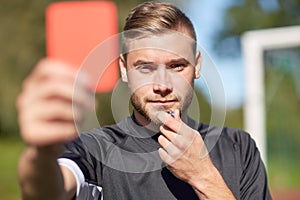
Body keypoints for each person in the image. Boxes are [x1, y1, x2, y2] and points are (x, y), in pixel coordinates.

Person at [17, 1, 272, 200]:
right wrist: (41, 153)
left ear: (197, 66)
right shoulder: (95, 148)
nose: (162, 85)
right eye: (146, 68)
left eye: (176, 66)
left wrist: (203, 176)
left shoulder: (239, 147)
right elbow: (48, 191)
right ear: (125, 69)